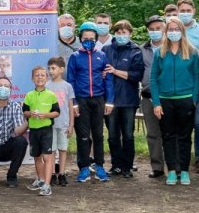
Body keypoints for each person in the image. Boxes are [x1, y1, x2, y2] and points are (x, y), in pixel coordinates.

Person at [151, 16, 199, 186]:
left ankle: (184, 170)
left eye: (176, 29)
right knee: (168, 136)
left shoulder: (192, 52)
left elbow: (197, 77)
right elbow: (154, 79)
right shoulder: (160, 53)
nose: (173, 32)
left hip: (185, 100)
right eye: (170, 29)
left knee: (185, 137)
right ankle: (171, 170)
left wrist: (193, 100)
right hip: (165, 101)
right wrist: (156, 103)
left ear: (182, 31)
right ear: (166, 32)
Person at [66, 22, 111, 183]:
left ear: (96, 39)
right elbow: (70, 81)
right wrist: (75, 103)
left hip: (98, 99)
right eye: (85, 38)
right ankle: (84, 167)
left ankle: (99, 165)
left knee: (98, 135)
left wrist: (109, 101)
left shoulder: (102, 55)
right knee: (83, 136)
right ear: (81, 38)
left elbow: (108, 79)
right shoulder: (75, 56)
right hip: (82, 100)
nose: (88, 41)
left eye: (92, 38)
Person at [104, 19, 144, 178]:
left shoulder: (136, 51)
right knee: (113, 135)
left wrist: (115, 71)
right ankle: (116, 165)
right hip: (110, 100)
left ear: (130, 34)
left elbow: (137, 76)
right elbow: (101, 71)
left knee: (128, 135)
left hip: (128, 100)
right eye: (118, 32)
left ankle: (127, 167)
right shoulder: (106, 50)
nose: (121, 35)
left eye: (124, 32)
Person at [178, 0, 199, 173]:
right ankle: (179, 157)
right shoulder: (174, 30)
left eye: (187, 10)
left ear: (194, 10)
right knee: (180, 124)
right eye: (181, 10)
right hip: (178, 84)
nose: (185, 13)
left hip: (198, 83)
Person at [23, 66, 61, 196]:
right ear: (32, 78)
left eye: (42, 75)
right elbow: (25, 112)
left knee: (47, 157)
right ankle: (41, 179)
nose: (40, 78)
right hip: (33, 130)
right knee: (37, 156)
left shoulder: (51, 95)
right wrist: (30, 114)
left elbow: (57, 112)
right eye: (37, 75)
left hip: (46, 130)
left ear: (47, 78)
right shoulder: (29, 95)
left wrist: (46, 115)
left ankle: (47, 185)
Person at [139, 16, 166, 178]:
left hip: (169, 97)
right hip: (148, 96)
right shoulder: (142, 49)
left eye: (158, 28)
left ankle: (174, 165)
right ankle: (157, 167)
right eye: (152, 29)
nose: (155, 32)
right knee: (153, 133)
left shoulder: (172, 47)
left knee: (170, 132)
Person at [47, 56, 75, 187]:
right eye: (49, 68)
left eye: (53, 68)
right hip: (49, 124)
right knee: (51, 150)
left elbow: (70, 106)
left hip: (63, 123)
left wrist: (71, 125)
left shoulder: (67, 86)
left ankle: (62, 173)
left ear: (61, 69)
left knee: (63, 149)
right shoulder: (46, 85)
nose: (50, 71)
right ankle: (52, 173)